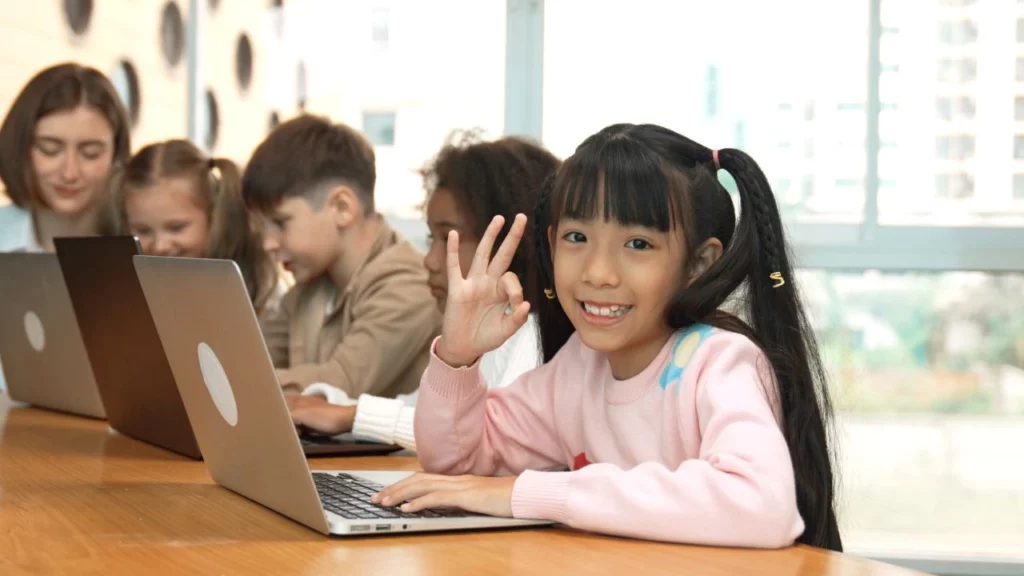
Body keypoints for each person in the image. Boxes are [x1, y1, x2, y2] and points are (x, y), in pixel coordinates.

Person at [372, 124, 843, 551]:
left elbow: (760, 505)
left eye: (638, 244)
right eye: (577, 237)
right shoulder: (579, 368)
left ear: (699, 264)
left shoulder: (719, 361)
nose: (597, 272)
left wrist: (533, 494)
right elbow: (459, 463)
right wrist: (457, 356)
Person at [288, 133, 560, 450]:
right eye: (432, 240)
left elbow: (482, 436)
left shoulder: (535, 336)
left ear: (515, 245)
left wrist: (350, 415)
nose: (429, 262)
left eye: (449, 239)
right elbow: (421, 409)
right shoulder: (483, 340)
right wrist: (327, 403)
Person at [244, 115, 440, 399]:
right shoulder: (310, 284)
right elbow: (250, 362)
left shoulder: (409, 286)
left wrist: (232, 386)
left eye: (280, 222)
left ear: (342, 207)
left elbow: (340, 384)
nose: (267, 243)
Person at [104, 139, 279, 311]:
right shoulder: (125, 292)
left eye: (176, 228)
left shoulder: (260, 295)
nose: (160, 246)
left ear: (214, 216)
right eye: (143, 230)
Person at [0, 63, 131, 252]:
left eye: (90, 153)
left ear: (117, 155)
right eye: (49, 149)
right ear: (20, 148)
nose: (69, 173)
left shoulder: (149, 239)